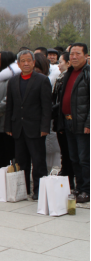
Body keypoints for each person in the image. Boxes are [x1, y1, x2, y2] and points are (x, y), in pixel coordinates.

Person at [5, 50, 52, 199]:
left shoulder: (42, 80)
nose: (26, 63)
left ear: (33, 62)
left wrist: (45, 127)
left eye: (29, 61)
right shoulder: (13, 81)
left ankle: (39, 190)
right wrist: (8, 126)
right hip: (18, 127)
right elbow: (10, 106)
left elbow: (46, 107)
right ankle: (22, 189)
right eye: (23, 61)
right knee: (21, 161)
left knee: (38, 161)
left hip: (36, 128)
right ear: (18, 64)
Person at [57, 43, 89, 203]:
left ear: (86, 56)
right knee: (74, 158)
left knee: (85, 159)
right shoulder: (69, 73)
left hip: (83, 124)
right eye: (72, 54)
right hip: (68, 122)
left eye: (78, 54)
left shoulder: (87, 74)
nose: (74, 57)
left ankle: (87, 190)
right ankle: (79, 187)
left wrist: (89, 123)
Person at [0, 51, 19, 171]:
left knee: (8, 150)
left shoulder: (12, 78)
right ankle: (0, 173)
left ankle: (9, 173)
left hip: (6, 120)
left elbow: (8, 99)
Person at [52, 52, 74, 189]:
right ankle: (65, 178)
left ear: (68, 63)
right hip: (59, 119)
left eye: (61, 62)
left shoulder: (70, 78)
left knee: (70, 153)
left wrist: (52, 110)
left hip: (67, 119)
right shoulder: (60, 78)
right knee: (64, 152)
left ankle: (71, 180)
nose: (58, 65)